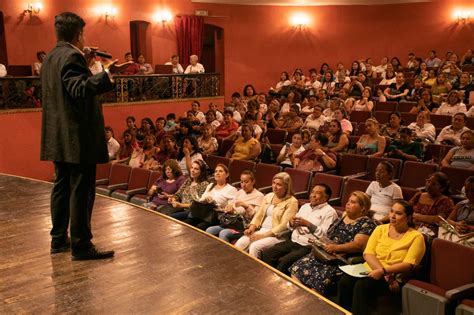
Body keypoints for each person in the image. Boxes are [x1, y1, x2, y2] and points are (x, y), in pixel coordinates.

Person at [40, 12, 131, 260]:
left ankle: (59, 240)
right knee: (81, 191)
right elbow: (79, 88)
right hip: (77, 138)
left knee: (61, 187)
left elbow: (66, 87)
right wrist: (108, 74)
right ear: (79, 34)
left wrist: (84, 58)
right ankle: (81, 245)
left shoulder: (50, 57)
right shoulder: (71, 56)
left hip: (58, 136)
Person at [337, 201, 426, 315]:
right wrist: (383, 272)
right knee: (345, 282)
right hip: (375, 270)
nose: (392, 216)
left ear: (408, 218)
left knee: (362, 286)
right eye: (391, 211)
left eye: (398, 214)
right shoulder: (380, 229)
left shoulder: (417, 237)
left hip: (394, 275)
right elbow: (368, 253)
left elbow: (409, 265)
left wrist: (384, 272)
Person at [290, 191, 377, 295]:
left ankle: (308, 302)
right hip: (324, 253)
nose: (348, 204)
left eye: (353, 202)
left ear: (363, 208)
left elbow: (358, 245)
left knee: (318, 282)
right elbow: (328, 234)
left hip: (338, 259)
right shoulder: (343, 217)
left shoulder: (367, 223)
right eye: (348, 201)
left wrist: (336, 248)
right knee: (296, 268)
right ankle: (299, 298)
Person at [261, 184, 338, 275]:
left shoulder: (330, 212)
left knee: (285, 262)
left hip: (309, 247)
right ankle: (268, 278)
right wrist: (291, 223)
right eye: (312, 192)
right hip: (293, 241)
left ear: (326, 197)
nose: (313, 195)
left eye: (318, 193)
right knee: (267, 254)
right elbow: (290, 226)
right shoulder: (305, 206)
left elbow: (325, 236)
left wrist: (308, 224)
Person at [234, 172, 298, 258]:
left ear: (286, 186)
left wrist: (262, 236)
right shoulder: (268, 196)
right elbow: (259, 215)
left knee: (254, 247)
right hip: (261, 230)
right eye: (274, 183)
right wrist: (251, 228)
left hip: (277, 236)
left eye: (279, 184)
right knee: (241, 242)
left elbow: (284, 226)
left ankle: (253, 270)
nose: (274, 186)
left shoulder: (292, 202)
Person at [206, 170, 264, 243]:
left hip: (244, 227)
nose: (243, 185)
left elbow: (256, 216)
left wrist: (246, 206)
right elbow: (232, 205)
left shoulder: (259, 196)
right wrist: (229, 207)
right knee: (209, 230)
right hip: (232, 222)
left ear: (253, 182)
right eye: (242, 182)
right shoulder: (240, 192)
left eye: (246, 182)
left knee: (224, 233)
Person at [184, 164, 238, 230]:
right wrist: (206, 199)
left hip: (216, 217)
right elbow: (201, 200)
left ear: (227, 175)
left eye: (220, 171)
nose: (217, 173)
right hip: (203, 214)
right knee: (187, 222)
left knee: (200, 226)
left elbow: (229, 209)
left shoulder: (231, 189)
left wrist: (214, 202)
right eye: (216, 171)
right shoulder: (211, 185)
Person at [409, 172, 454, 236]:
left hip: (429, 232)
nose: (429, 185)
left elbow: (439, 220)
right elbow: (406, 208)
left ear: (442, 188)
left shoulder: (446, 202)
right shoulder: (419, 195)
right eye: (428, 181)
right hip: (411, 226)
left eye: (434, 184)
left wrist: (417, 216)